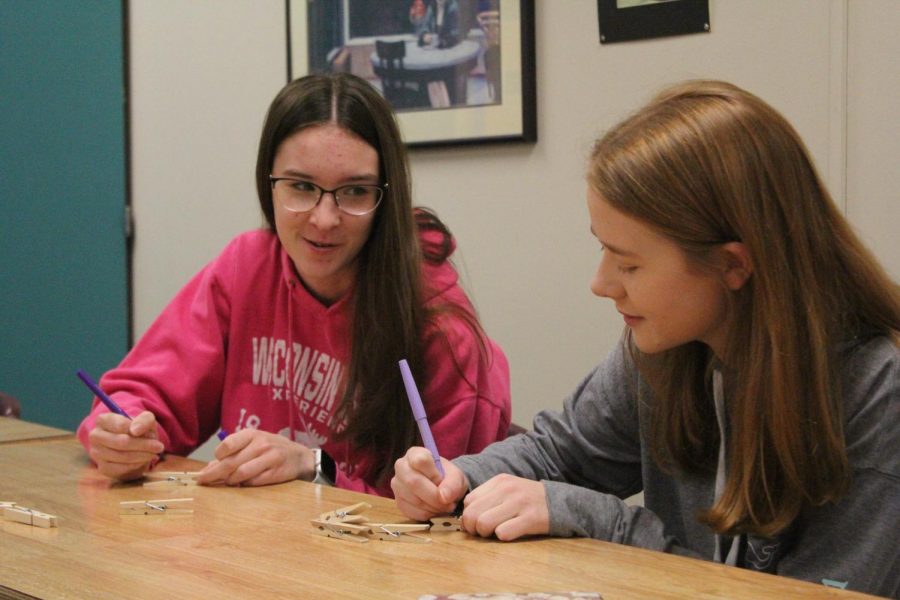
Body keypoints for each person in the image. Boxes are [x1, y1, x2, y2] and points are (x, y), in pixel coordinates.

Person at [392, 80, 899, 596]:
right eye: (604, 250)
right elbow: (558, 454)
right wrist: (455, 478)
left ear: (732, 264)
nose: (601, 284)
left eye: (629, 263)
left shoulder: (875, 390)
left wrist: (602, 520)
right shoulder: (664, 348)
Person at [77, 72, 511, 497]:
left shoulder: (439, 324)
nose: (324, 219)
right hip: (254, 549)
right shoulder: (246, 267)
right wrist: (124, 435)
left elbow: (448, 511)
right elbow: (142, 396)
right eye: (301, 186)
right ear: (269, 183)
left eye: (355, 192)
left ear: (386, 196)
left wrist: (313, 466)